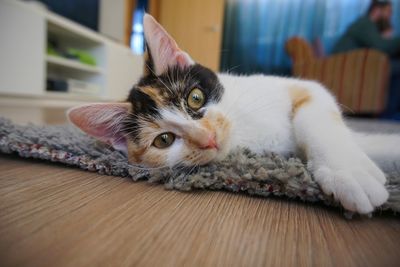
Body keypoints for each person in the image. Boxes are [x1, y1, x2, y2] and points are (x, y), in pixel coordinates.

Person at [333, 0, 400, 119]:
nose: (390, 16)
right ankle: (388, 115)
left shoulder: (369, 26)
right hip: (346, 66)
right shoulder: (365, 24)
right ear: (377, 10)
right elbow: (382, 46)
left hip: (357, 65)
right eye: (388, 11)